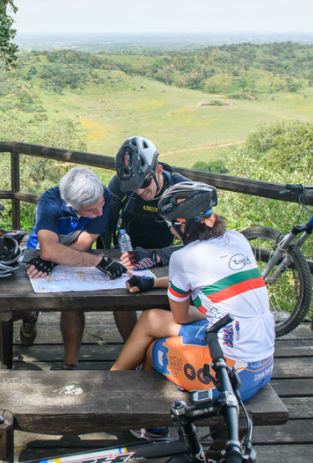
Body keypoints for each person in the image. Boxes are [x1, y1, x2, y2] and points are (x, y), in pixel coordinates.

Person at [111, 182, 275, 439]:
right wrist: (152, 281)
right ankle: (115, 380)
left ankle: (144, 419)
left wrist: (207, 309)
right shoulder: (238, 239)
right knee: (152, 318)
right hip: (263, 364)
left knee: (155, 349)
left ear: (183, 225)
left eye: (171, 226)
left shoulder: (183, 257)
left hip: (233, 375)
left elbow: (180, 316)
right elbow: (205, 285)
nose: (172, 232)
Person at [25, 167, 131, 369]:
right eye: (91, 210)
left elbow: (84, 243)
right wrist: (96, 261)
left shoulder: (103, 194)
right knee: (19, 308)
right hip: (37, 253)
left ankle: (70, 365)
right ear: (71, 205)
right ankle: (29, 317)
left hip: (64, 255)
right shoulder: (50, 201)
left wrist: (54, 256)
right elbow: (46, 249)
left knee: (73, 301)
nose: (100, 212)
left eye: (101, 206)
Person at [98, 136, 190, 269]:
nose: (139, 191)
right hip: (128, 257)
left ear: (158, 170)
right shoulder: (118, 185)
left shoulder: (180, 187)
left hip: (171, 258)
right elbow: (105, 226)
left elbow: (200, 241)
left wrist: (156, 257)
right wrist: (105, 256)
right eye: (131, 186)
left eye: (144, 182)